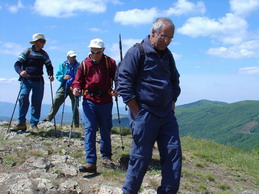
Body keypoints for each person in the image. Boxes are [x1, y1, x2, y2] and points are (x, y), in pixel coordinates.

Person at [117, 17, 182, 193]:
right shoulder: (137, 52)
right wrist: (137, 112)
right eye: (164, 36)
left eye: (170, 38)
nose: (167, 41)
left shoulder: (168, 56)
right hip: (145, 114)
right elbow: (123, 82)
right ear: (153, 32)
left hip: (166, 116)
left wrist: (172, 101)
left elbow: (174, 81)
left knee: (173, 156)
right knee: (140, 158)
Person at [71, 38, 117, 173]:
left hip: (106, 100)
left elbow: (118, 78)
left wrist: (118, 88)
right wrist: (75, 88)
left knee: (105, 129)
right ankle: (90, 162)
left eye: (97, 51)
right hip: (89, 100)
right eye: (92, 51)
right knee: (90, 128)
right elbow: (77, 81)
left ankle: (106, 156)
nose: (95, 54)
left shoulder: (110, 63)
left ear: (103, 51)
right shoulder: (84, 64)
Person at [13, 33, 54, 132]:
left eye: (44, 41)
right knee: (23, 98)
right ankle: (21, 123)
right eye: (42, 41)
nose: (44, 43)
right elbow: (17, 64)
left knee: (36, 102)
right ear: (36, 42)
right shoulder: (27, 52)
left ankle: (34, 124)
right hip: (26, 80)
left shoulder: (44, 54)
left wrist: (50, 74)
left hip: (39, 80)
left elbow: (49, 66)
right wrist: (20, 72)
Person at [43, 50, 80, 127]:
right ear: (68, 57)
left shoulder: (78, 66)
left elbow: (80, 77)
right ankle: (49, 118)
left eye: (74, 57)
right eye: (71, 57)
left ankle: (76, 123)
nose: (73, 58)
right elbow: (58, 75)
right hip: (64, 85)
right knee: (57, 99)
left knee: (75, 104)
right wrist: (63, 77)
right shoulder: (62, 65)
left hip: (74, 87)